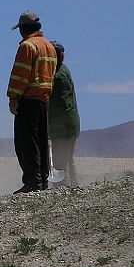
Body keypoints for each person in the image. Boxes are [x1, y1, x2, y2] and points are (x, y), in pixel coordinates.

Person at [7, 11, 58, 193]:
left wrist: (13, 97)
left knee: (26, 143)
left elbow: (20, 75)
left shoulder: (27, 46)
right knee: (41, 141)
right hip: (44, 99)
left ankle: (32, 181)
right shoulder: (49, 47)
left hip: (28, 99)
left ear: (23, 29)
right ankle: (42, 180)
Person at [47, 40, 80, 186]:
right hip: (71, 123)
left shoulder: (57, 76)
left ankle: (63, 188)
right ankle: (74, 186)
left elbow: (57, 103)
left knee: (60, 161)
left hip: (62, 126)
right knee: (68, 159)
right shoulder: (63, 69)